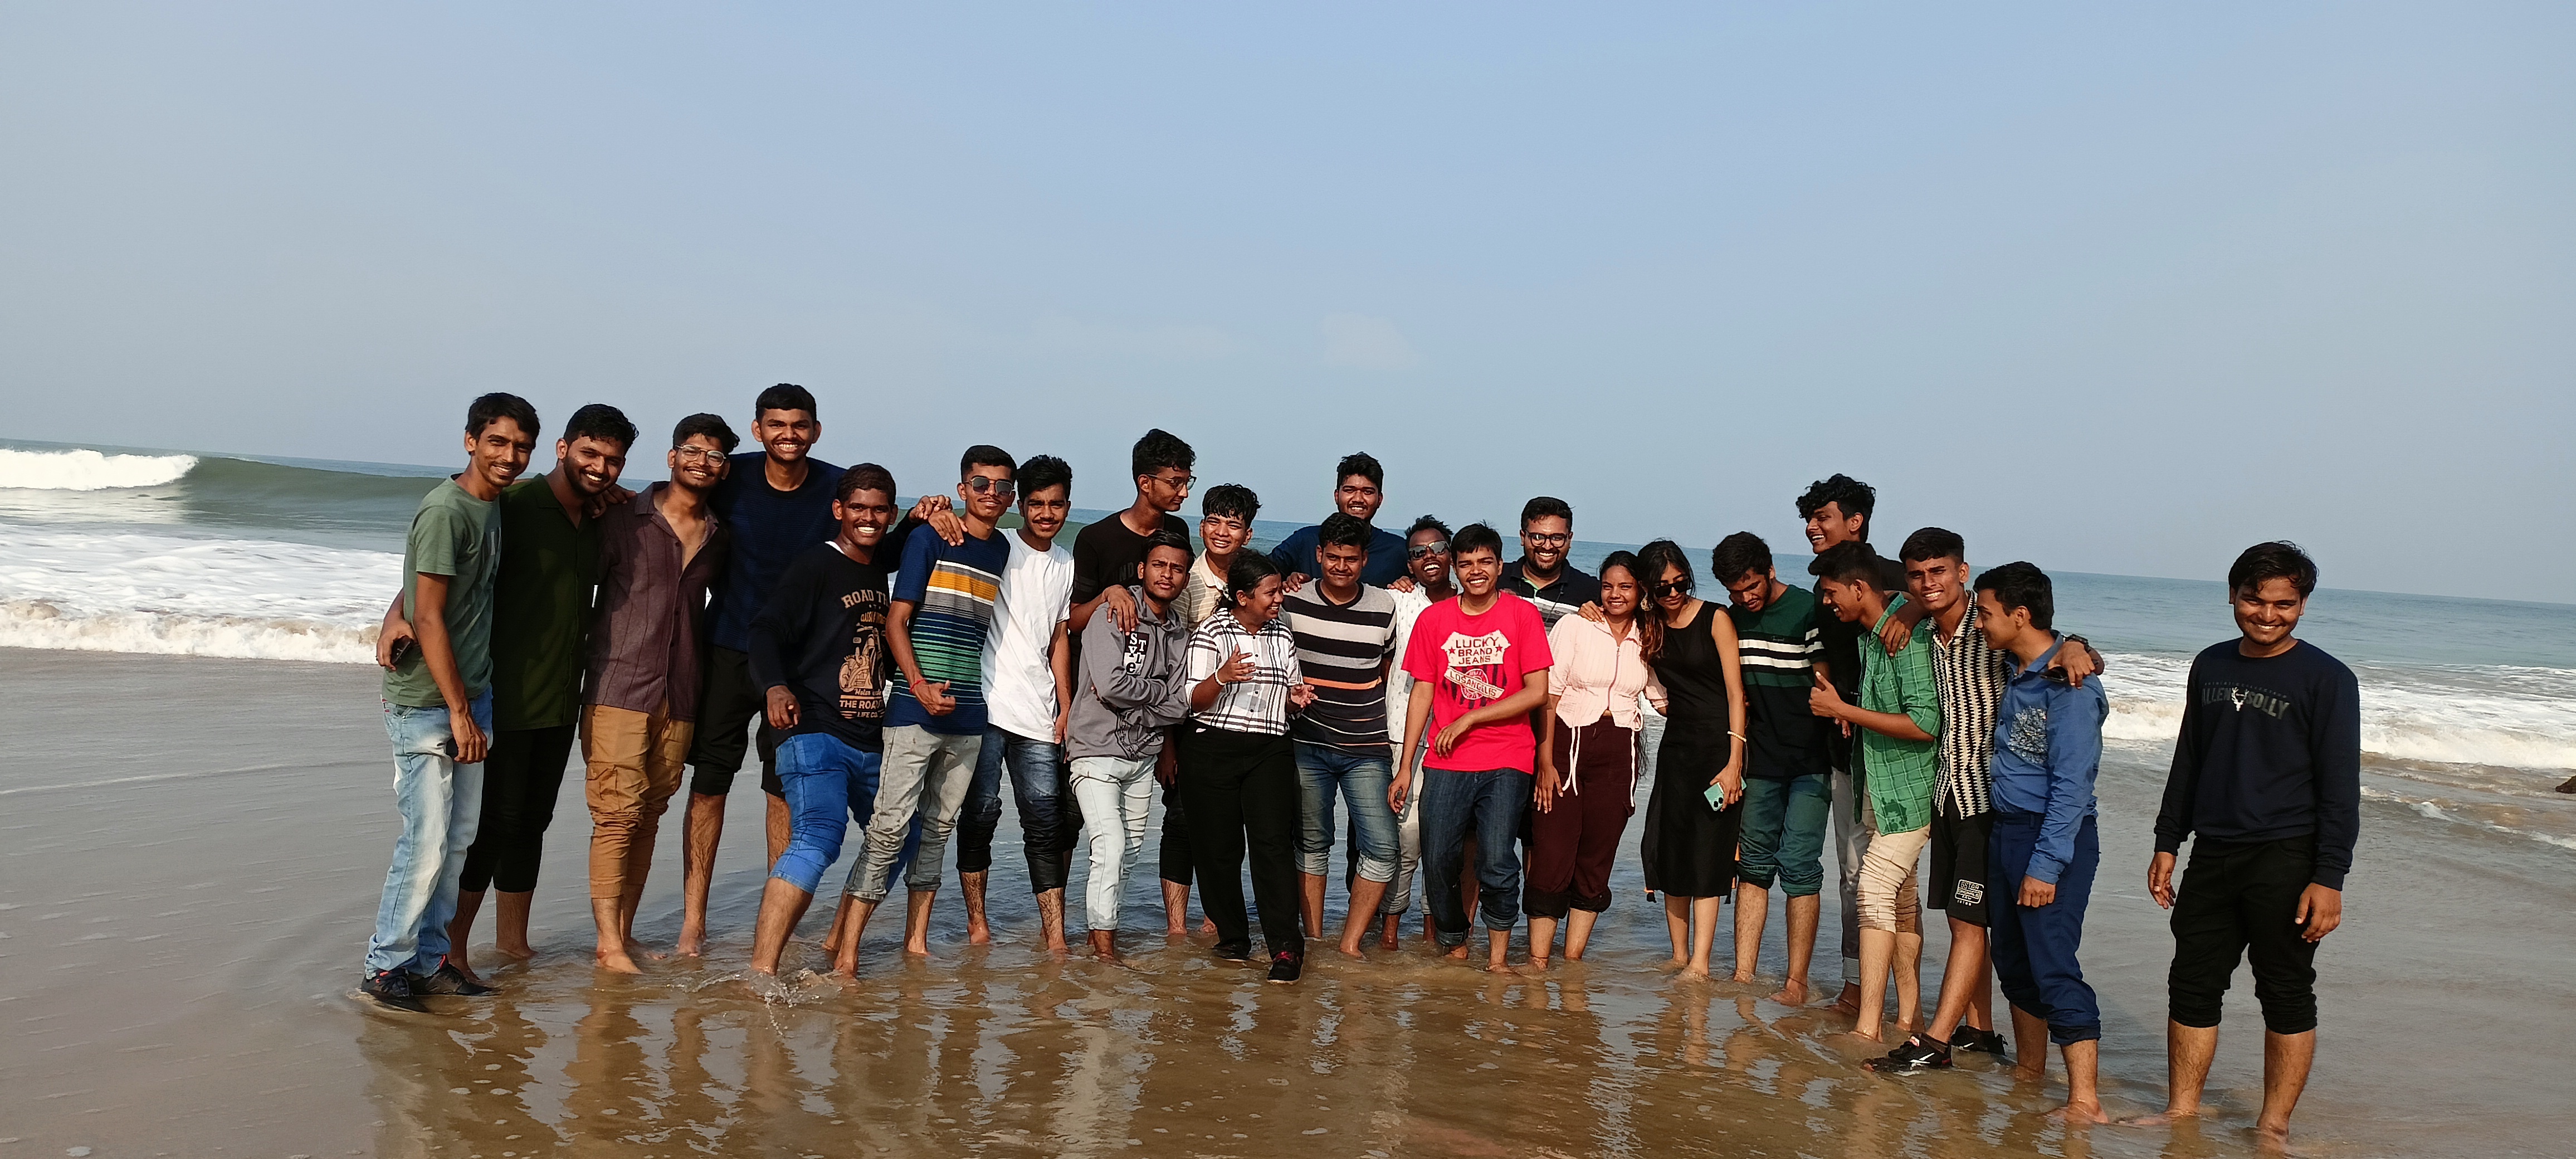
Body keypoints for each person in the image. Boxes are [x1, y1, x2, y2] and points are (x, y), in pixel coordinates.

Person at [375, 404, 633, 984]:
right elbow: (435, 571)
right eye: (589, 453)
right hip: (501, 689)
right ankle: (451, 953)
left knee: (533, 821)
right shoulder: (512, 503)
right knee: (490, 826)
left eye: (613, 460)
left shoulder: (602, 515)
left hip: (562, 691)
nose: (600, 468)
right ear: (563, 449)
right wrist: (396, 614)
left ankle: (513, 943)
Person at [2132, 542, 2358, 1146]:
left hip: (2287, 856)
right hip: (2213, 852)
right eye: (2255, 600)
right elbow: (2190, 757)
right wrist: (2167, 840)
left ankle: (2273, 1126)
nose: (2267, 614)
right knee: (2192, 982)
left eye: (2283, 604)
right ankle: (2181, 1111)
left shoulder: (2328, 679)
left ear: (2303, 606)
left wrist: (2329, 877)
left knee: (2284, 989)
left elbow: (2340, 787)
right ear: (2233, 595)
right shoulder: (2209, 664)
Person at [360, 392, 535, 1012]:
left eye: (521, 447)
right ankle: (385, 965)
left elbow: (417, 586)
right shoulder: (446, 510)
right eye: (497, 442)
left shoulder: (490, 504)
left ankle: (431, 962)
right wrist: (459, 712)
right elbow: (430, 615)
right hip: (428, 704)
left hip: (471, 696)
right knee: (426, 842)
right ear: (470, 441)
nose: (509, 456)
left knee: (457, 841)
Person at [744, 464, 925, 981]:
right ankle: (761, 972)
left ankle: (837, 941)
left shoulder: (877, 566)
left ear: (890, 514)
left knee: (901, 837)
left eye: (879, 510)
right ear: (838, 510)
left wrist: (921, 518)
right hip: (812, 728)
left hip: (868, 735)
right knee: (819, 836)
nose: (869, 518)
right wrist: (774, 686)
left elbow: (897, 545)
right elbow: (764, 628)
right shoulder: (815, 565)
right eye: (858, 508)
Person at [837, 446, 1017, 966]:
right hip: (914, 711)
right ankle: (847, 955)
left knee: (938, 831)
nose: (991, 494)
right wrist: (916, 686)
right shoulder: (930, 538)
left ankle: (915, 943)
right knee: (889, 829)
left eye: (1003, 487)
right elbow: (896, 621)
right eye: (981, 484)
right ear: (962, 490)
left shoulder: (1000, 549)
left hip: (969, 714)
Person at [579, 415, 734, 973]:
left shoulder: (719, 535)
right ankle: (608, 945)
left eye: (714, 455)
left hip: (682, 691)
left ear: (724, 469)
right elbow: (569, 582)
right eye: (692, 450)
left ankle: (623, 933)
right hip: (618, 685)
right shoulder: (621, 519)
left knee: (648, 815)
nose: (702, 462)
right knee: (616, 816)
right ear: (672, 457)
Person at [1970, 562, 2110, 1122]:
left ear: (2020, 615)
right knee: (2012, 960)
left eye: (1986, 613)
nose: (1979, 623)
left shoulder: (2070, 688)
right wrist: (2077, 641)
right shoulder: (2015, 667)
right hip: (2006, 829)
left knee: (2053, 963)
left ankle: (2085, 1101)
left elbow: (2073, 786)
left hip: (2052, 837)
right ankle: (2030, 1073)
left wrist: (2046, 865)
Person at [1392, 523, 1553, 973]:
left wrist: (1470, 718)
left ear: (1500, 566)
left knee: (1497, 859)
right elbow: (1423, 692)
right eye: (1466, 564)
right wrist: (1405, 766)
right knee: (1439, 857)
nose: (1476, 571)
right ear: (1455, 568)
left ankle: (1498, 957)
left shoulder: (1522, 615)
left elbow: (1537, 691)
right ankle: (1454, 940)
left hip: (1508, 757)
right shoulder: (1434, 620)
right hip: (1447, 760)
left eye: (1485, 562)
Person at [1067, 430, 1201, 937]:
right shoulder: (1097, 539)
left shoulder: (1178, 533)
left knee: (1127, 848)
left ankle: (1102, 932)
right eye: (1176, 482)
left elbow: (1172, 666)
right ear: (1146, 482)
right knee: (1088, 834)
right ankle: (1074, 934)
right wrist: (1111, 592)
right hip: (1095, 718)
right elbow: (1073, 622)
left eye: (1188, 482)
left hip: (1145, 737)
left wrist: (1167, 730)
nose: (1183, 492)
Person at [1807, 540, 1941, 1042]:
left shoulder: (1906, 637)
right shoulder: (1870, 638)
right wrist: (1854, 714)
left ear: (1860, 588)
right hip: (1879, 788)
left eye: (1831, 593)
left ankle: (1868, 1027)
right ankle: (1909, 1019)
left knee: (1873, 892)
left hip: (1910, 792)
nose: (1827, 602)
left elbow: (1925, 723)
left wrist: (1845, 711)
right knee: (1900, 903)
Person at [955, 455, 1079, 952]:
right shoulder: (999, 545)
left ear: (1067, 506)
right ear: (1019, 504)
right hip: (986, 705)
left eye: (1056, 504)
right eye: (1036, 503)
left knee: (1046, 820)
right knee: (980, 813)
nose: (1046, 513)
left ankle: (1055, 936)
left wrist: (1065, 705)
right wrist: (936, 512)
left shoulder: (1066, 562)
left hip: (1038, 710)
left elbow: (1059, 636)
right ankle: (977, 924)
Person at [1527, 551, 1666, 969]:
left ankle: (1572, 963)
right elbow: (1548, 697)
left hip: (1620, 750)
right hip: (1566, 744)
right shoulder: (1575, 626)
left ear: (1641, 591)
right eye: (1608, 586)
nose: (1615, 594)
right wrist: (1544, 762)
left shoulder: (1649, 635)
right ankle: (1537, 963)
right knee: (1553, 853)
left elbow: (1661, 697)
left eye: (1625, 586)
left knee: (1597, 857)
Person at [1180, 554, 1316, 981]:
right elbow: (1192, 700)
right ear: (1242, 597)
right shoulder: (1211, 632)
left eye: (1279, 591)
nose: (1279, 599)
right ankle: (1233, 937)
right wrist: (1222, 676)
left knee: (1272, 846)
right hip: (1212, 747)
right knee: (1218, 849)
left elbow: (1288, 695)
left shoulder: (1282, 634)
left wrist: (1296, 699)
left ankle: (1286, 949)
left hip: (1270, 748)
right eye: (1270, 593)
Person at [1710, 533, 1832, 1005]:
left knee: (1800, 867)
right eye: (1735, 591)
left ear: (1771, 571)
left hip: (1810, 762)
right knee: (1754, 867)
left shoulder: (1806, 609)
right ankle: (1744, 975)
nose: (1746, 598)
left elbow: (1824, 674)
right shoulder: (1731, 618)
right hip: (1759, 761)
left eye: (1752, 586)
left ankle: (1796, 983)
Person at [1280, 513, 1402, 956]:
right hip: (1307, 742)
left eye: (1351, 559)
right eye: (1333, 557)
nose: (1341, 566)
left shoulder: (1384, 605)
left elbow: (1386, 671)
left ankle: (1349, 944)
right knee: (1312, 844)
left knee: (1383, 847)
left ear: (1365, 560)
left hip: (1366, 746)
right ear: (1319, 555)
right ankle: (1314, 939)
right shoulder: (1292, 603)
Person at [1797, 471, 1895, 1014]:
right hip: (1842, 753)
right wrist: (1825, 683)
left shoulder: (1894, 579)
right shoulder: (1822, 587)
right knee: (1852, 873)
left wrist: (2074, 645)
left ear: (1855, 522)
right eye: (1809, 520)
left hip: (1895, 755)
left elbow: (1966, 610)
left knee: (1888, 879)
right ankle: (1857, 987)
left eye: (1822, 518)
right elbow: (1821, 647)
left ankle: (1888, 998)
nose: (1812, 528)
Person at [1635, 539, 1750, 981]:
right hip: (1676, 749)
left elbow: (1736, 693)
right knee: (1672, 847)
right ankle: (1679, 955)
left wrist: (1735, 761)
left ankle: (1701, 962)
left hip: (1719, 748)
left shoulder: (1715, 618)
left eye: (1680, 583)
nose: (1673, 593)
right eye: (1662, 587)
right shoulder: (1651, 625)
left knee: (1709, 851)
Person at [1375, 515, 1455, 948]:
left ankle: (1431, 934)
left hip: (1455, 740)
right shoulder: (1398, 600)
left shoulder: (1473, 605)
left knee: (1440, 844)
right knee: (1404, 842)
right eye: (1419, 552)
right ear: (1409, 564)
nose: (1430, 557)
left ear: (1452, 555)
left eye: (1438, 548)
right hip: (1400, 735)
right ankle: (1389, 933)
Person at [1270, 452, 1409, 590]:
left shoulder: (1397, 550)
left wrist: (1409, 584)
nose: (1358, 499)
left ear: (1380, 499)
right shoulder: (1305, 540)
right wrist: (1287, 581)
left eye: (1367, 492)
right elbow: (1263, 575)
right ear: (1337, 496)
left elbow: (1420, 584)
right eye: (1350, 490)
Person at [1500, 496, 1599, 629]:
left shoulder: (1591, 591)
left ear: (1569, 539)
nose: (1547, 546)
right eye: (1538, 537)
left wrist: (1591, 619)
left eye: (1557, 538)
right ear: (1523, 537)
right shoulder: (1497, 579)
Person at [1181, 483, 1259, 631]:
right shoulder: (1186, 583)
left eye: (1233, 526)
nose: (1221, 532)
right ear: (1202, 528)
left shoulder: (1257, 578)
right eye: (1214, 522)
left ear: (1247, 536)